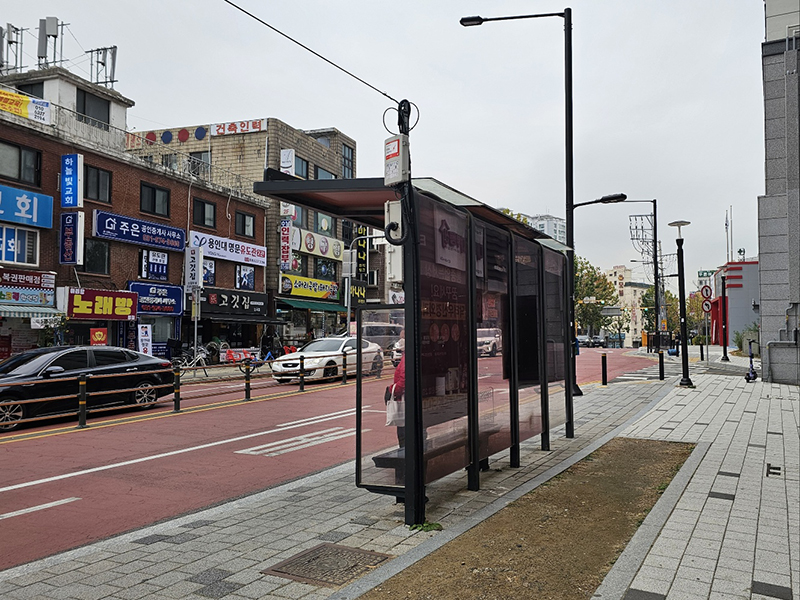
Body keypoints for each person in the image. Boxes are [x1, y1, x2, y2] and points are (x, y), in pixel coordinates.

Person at [391, 352, 405, 447]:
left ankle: (405, 453)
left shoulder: (407, 358)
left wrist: (391, 390)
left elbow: (404, 381)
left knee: (403, 433)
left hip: (405, 402)